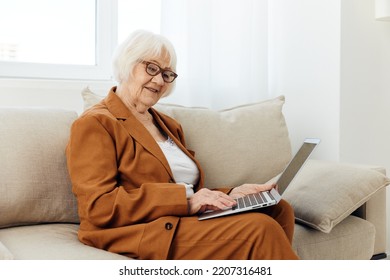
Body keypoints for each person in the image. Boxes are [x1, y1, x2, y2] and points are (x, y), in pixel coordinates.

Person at [66, 30, 299, 260]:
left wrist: (232, 194)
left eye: (167, 74)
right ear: (127, 64)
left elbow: (187, 190)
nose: (159, 80)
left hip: (178, 219)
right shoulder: (95, 123)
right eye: (151, 68)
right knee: (259, 229)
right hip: (138, 230)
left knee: (278, 210)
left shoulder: (168, 125)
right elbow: (98, 207)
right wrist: (185, 202)